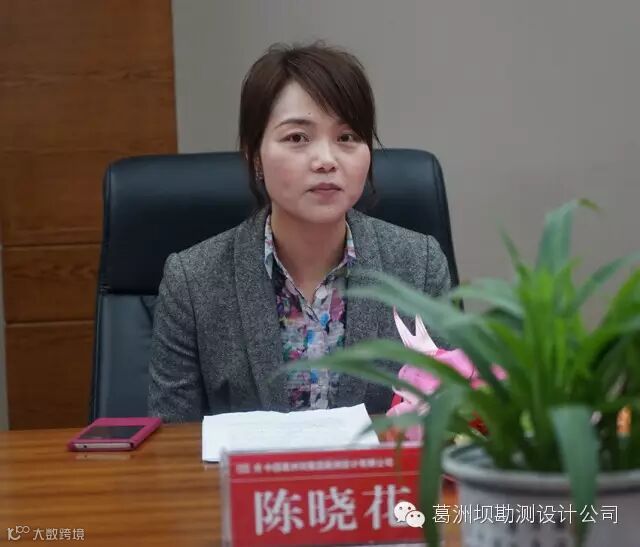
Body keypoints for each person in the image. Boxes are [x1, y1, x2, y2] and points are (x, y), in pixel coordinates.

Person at [148, 42, 451, 423]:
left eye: (347, 137)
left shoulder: (419, 265)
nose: (326, 160)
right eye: (297, 138)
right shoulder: (192, 282)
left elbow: (451, 419)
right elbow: (173, 441)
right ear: (254, 156)